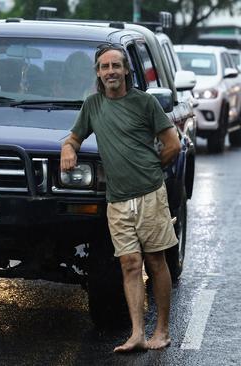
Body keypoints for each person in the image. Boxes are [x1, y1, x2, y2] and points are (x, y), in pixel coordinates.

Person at [60, 43, 181, 352]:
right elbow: (74, 138)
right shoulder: (93, 105)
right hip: (117, 200)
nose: (110, 71)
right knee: (129, 264)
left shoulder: (144, 104)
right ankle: (137, 333)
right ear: (98, 74)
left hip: (150, 194)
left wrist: (153, 169)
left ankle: (162, 331)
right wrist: (67, 149)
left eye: (115, 65)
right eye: (104, 67)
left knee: (155, 261)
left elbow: (172, 144)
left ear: (126, 70)